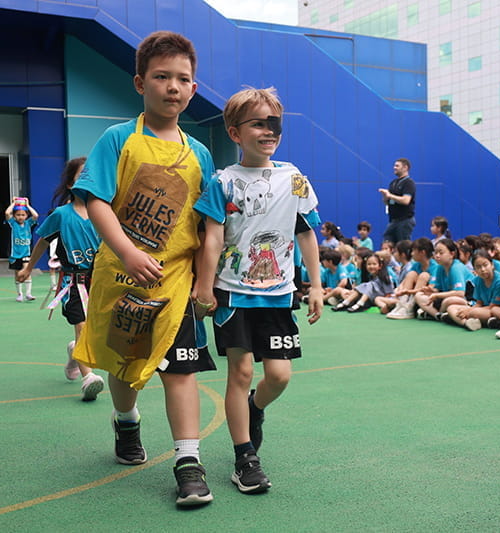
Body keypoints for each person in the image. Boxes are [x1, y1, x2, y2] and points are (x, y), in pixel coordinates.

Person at [69, 31, 218, 507]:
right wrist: (129, 252)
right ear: (140, 83)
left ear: (193, 88)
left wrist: (206, 281)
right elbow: (96, 200)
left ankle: (188, 462)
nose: (173, 86)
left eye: (183, 79)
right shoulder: (118, 139)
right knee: (125, 365)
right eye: (161, 76)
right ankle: (126, 422)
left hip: (176, 283)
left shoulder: (200, 154)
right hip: (122, 279)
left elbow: (208, 224)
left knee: (181, 370)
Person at [194, 86, 322, 495]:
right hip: (232, 294)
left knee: (279, 376)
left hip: (280, 294)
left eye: (274, 124)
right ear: (235, 133)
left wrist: (316, 285)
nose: (269, 131)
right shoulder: (222, 182)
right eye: (258, 124)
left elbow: (307, 233)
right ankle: (245, 458)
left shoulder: (294, 179)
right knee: (242, 371)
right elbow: (212, 239)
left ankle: (254, 407)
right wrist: (204, 288)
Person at [16, 157, 105, 400]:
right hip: (73, 282)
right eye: (81, 176)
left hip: (99, 281)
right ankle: (88, 377)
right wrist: (28, 268)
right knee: (81, 325)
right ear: (70, 184)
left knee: (96, 330)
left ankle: (74, 352)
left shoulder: (104, 213)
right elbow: (43, 241)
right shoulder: (61, 215)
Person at [445, 250, 500, 331]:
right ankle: (466, 323)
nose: (482, 269)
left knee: (474, 313)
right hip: (482, 308)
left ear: (492, 265)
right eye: (478, 267)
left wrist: (469, 311)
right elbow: (479, 303)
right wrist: (467, 310)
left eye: (485, 265)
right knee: (451, 307)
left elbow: (493, 306)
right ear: (474, 269)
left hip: (495, 310)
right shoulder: (478, 280)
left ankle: (458, 319)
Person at [414, 238, 471, 320]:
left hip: (466, 301)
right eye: (435, 253)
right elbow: (438, 289)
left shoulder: (456, 268)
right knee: (419, 296)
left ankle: (437, 314)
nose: (437, 256)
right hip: (446, 299)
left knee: (449, 301)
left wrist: (437, 295)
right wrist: (430, 290)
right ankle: (438, 315)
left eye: (441, 253)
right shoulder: (440, 267)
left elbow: (460, 293)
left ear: (452, 254)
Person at [5, 197, 39, 302]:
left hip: (26, 253)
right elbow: (7, 213)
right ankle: (19, 294)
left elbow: (36, 216)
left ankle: (28, 293)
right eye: (18, 215)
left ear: (26, 216)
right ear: (14, 216)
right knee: (18, 274)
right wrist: (13, 203)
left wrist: (27, 205)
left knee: (26, 271)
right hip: (15, 254)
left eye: (23, 215)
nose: (20, 217)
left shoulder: (28, 223)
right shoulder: (13, 223)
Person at [379, 158, 416, 243]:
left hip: (404, 220)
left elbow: (406, 200)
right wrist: (385, 197)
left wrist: (390, 195)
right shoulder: (393, 183)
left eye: (397, 166)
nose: (394, 168)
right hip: (393, 220)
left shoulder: (408, 183)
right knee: (387, 241)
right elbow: (388, 202)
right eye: (394, 166)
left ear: (405, 167)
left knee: (402, 245)